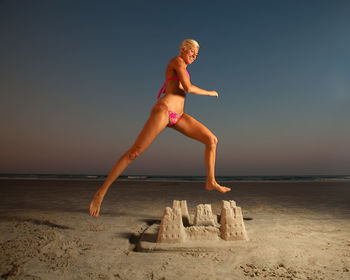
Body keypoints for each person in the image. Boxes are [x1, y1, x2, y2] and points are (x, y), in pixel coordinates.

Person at [89, 39, 230, 217]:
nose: (194, 56)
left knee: (212, 140)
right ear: (183, 49)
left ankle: (210, 181)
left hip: (178, 117)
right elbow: (187, 87)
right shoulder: (177, 61)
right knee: (134, 153)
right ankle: (101, 192)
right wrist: (210, 92)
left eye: (196, 54)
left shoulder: (184, 67)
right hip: (164, 111)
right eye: (191, 51)